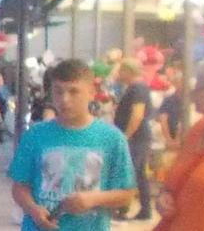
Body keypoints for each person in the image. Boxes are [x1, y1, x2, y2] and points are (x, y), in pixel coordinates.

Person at [9, 58, 136, 231]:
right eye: (58, 92)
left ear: (91, 92)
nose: (65, 99)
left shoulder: (112, 138)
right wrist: (33, 210)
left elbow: (127, 193)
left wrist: (94, 199)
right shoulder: (35, 135)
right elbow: (19, 187)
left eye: (74, 92)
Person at [155, 56, 204, 230]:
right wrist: (165, 195)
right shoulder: (199, 128)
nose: (192, 93)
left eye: (198, 87)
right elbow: (177, 180)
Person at [113, 57, 152, 221]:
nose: (119, 74)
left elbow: (137, 115)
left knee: (128, 172)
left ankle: (122, 210)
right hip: (138, 137)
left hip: (135, 138)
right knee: (140, 174)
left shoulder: (138, 88)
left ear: (129, 71)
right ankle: (145, 210)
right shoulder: (134, 88)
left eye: (122, 70)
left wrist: (126, 136)